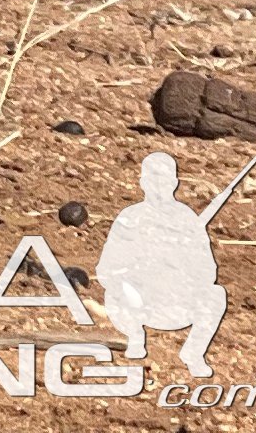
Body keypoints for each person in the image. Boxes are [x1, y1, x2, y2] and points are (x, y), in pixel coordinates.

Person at [96, 151, 234, 378]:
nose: (158, 186)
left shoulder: (188, 220)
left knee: (216, 294)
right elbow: (106, 271)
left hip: (177, 302)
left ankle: (193, 353)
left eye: (164, 179)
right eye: (152, 179)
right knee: (116, 291)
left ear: (174, 183)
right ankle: (134, 337)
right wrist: (138, 269)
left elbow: (208, 271)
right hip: (139, 303)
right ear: (142, 182)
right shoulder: (129, 217)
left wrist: (180, 263)